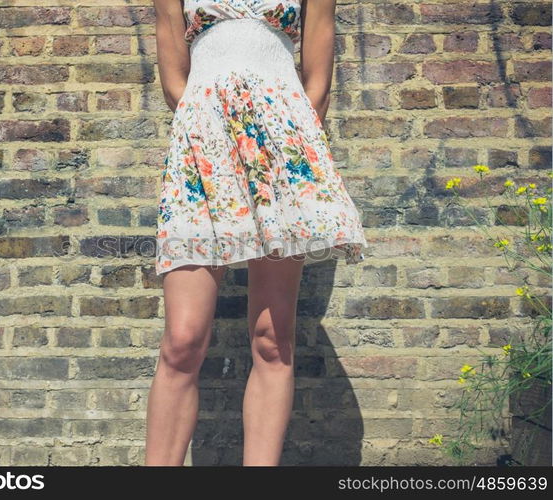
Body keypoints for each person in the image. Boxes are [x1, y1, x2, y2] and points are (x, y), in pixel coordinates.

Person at [146, 0, 367, 466]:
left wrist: (285, 145)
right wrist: (208, 129)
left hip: (281, 150)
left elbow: (318, 84)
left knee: (271, 337)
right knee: (182, 340)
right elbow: (173, 83)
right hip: (201, 149)